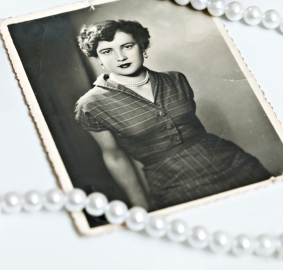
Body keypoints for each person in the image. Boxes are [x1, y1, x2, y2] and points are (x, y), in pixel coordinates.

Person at [75, 19, 272, 211]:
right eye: (107, 51)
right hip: (172, 184)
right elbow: (115, 156)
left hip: (234, 165)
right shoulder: (91, 104)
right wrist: (141, 206)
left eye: (127, 46)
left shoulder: (175, 79)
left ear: (142, 47)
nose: (120, 57)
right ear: (98, 58)